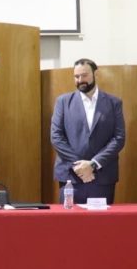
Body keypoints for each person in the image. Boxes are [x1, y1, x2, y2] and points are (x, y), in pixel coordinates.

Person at [50, 58, 125, 204]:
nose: (80, 80)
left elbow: (119, 137)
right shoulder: (63, 102)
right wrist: (79, 165)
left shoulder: (113, 103)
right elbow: (56, 137)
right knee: (69, 225)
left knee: (101, 226)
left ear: (95, 75)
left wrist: (93, 164)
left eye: (84, 75)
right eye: (76, 76)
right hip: (71, 177)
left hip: (102, 178)